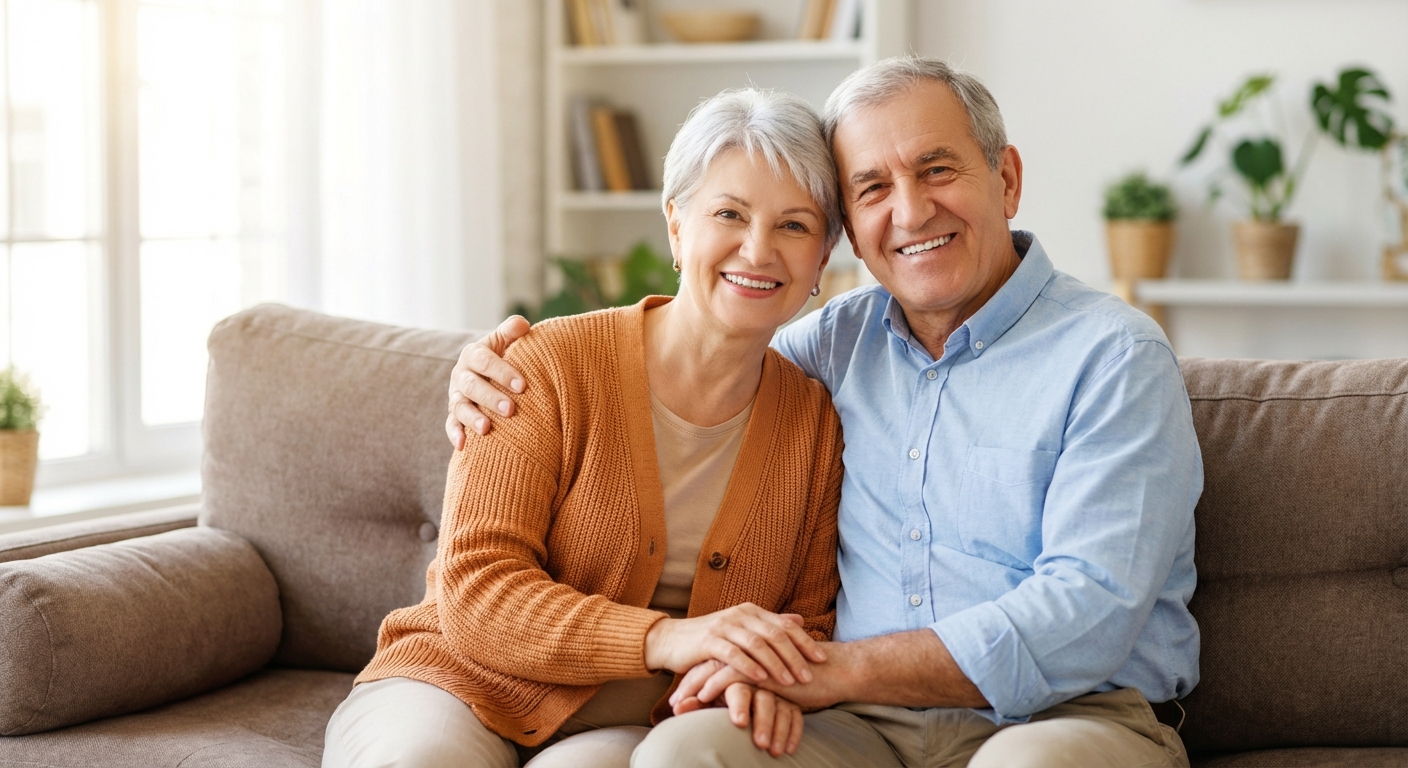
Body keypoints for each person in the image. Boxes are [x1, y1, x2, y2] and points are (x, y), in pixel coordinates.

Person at [447, 57, 1202, 768]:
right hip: (858, 723)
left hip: (1065, 716)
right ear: (849, 234)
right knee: (686, 752)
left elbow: (1091, 609)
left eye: (937, 170)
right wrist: (494, 367)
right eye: (872, 188)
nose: (911, 211)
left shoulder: (1114, 355)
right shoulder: (834, 343)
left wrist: (834, 669)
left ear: (1005, 180)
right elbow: (709, 349)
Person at [322, 88, 849, 768]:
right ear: (676, 225)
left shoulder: (815, 426)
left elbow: (808, 622)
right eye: (729, 213)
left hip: (640, 724)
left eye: (794, 226)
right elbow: (477, 588)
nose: (758, 249)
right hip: (457, 680)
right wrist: (666, 638)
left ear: (823, 258)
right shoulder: (545, 366)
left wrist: (766, 680)